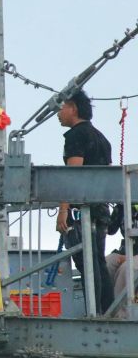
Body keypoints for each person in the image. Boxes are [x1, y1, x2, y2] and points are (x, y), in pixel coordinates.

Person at [55, 90, 114, 313]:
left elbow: (74, 175)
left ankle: (94, 311)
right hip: (101, 208)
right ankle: (108, 310)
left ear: (74, 108)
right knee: (97, 261)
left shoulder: (76, 136)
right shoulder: (101, 138)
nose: (59, 113)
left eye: (62, 108)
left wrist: (63, 210)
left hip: (82, 210)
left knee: (85, 261)